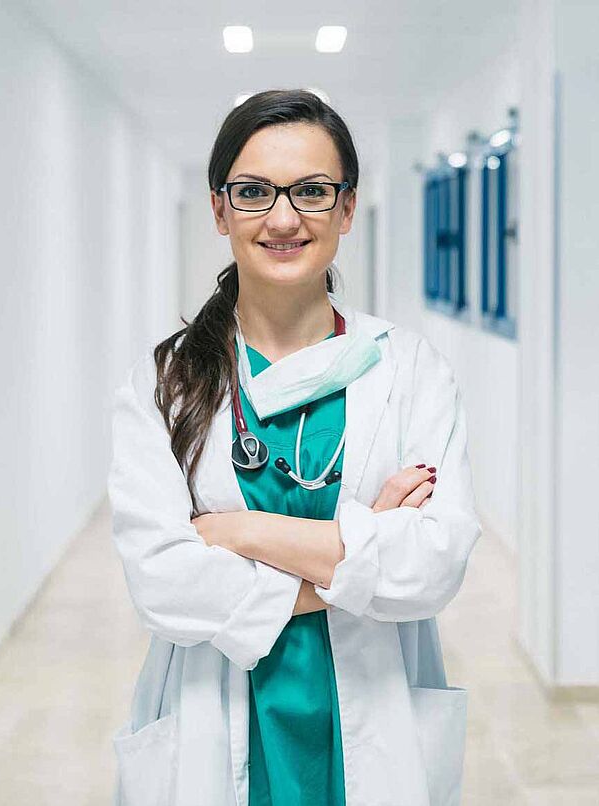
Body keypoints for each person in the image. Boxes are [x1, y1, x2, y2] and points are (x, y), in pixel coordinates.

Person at [107, 89, 482, 806]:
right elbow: (163, 587)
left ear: (346, 207)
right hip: (213, 723)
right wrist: (358, 543)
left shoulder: (409, 369)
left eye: (311, 191)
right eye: (253, 192)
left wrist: (244, 531)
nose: (283, 218)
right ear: (220, 209)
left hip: (375, 718)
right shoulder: (165, 384)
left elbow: (434, 565)